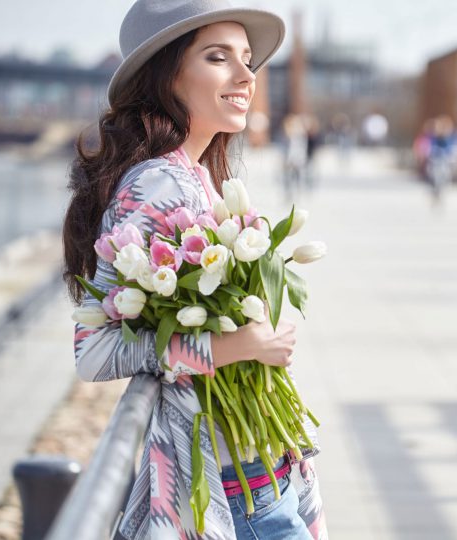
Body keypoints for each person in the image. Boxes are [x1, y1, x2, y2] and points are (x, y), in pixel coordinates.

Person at [61, 1, 326, 538]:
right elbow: (93, 352)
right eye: (217, 57)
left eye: (247, 59)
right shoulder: (158, 183)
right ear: (167, 75)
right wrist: (240, 346)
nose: (244, 76)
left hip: (266, 476)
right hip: (236, 492)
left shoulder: (200, 176)